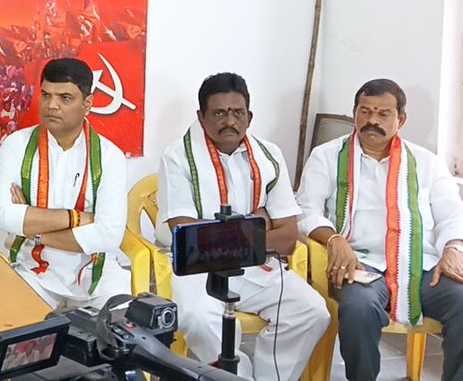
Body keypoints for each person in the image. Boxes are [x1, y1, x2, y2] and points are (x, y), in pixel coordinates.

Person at [158, 72, 329, 380]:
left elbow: (288, 237)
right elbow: (185, 235)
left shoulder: (269, 155)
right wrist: (259, 223)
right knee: (198, 316)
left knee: (312, 311)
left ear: (249, 117)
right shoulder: (178, 157)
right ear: (201, 116)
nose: (230, 122)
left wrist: (221, 233)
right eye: (219, 113)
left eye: (238, 113)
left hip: (256, 264)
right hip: (200, 269)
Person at [297, 79, 463, 381]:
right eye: (365, 111)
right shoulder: (327, 156)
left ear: (401, 120)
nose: (372, 120)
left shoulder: (426, 162)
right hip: (360, 266)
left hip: (421, 267)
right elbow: (305, 210)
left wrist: (453, 249)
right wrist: (333, 239)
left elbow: (452, 214)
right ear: (354, 113)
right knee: (358, 310)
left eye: (383, 113)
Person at [0, 58, 130, 308]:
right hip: (33, 269)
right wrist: (78, 218)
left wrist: (32, 231)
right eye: (46, 95)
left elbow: (108, 236)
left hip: (97, 273)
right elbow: (3, 216)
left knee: (122, 335)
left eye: (65, 98)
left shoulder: (111, 157)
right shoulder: (17, 144)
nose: (51, 105)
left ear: (87, 103)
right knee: (16, 331)